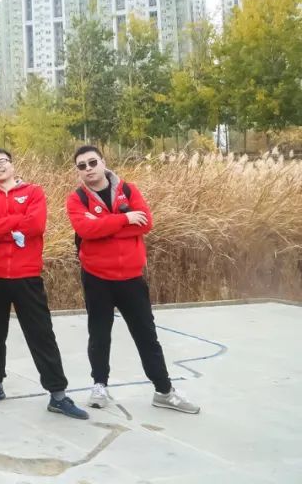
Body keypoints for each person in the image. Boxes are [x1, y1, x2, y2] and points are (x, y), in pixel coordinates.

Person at [67, 145, 200, 414]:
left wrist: (104, 225)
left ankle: (164, 391)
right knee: (99, 335)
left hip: (131, 278)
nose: (88, 169)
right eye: (82, 166)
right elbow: (86, 229)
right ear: (78, 171)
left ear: (103, 162)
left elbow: (146, 223)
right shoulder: (77, 199)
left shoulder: (128, 190)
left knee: (146, 336)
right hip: (97, 278)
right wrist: (125, 218)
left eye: (92, 162)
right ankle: (99, 385)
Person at [0, 148, 87, 420]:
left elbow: (35, 225)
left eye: (2, 161)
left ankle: (58, 395)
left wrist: (3, 227)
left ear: (12, 165)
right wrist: (16, 224)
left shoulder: (33, 192)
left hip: (26, 275)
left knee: (41, 334)